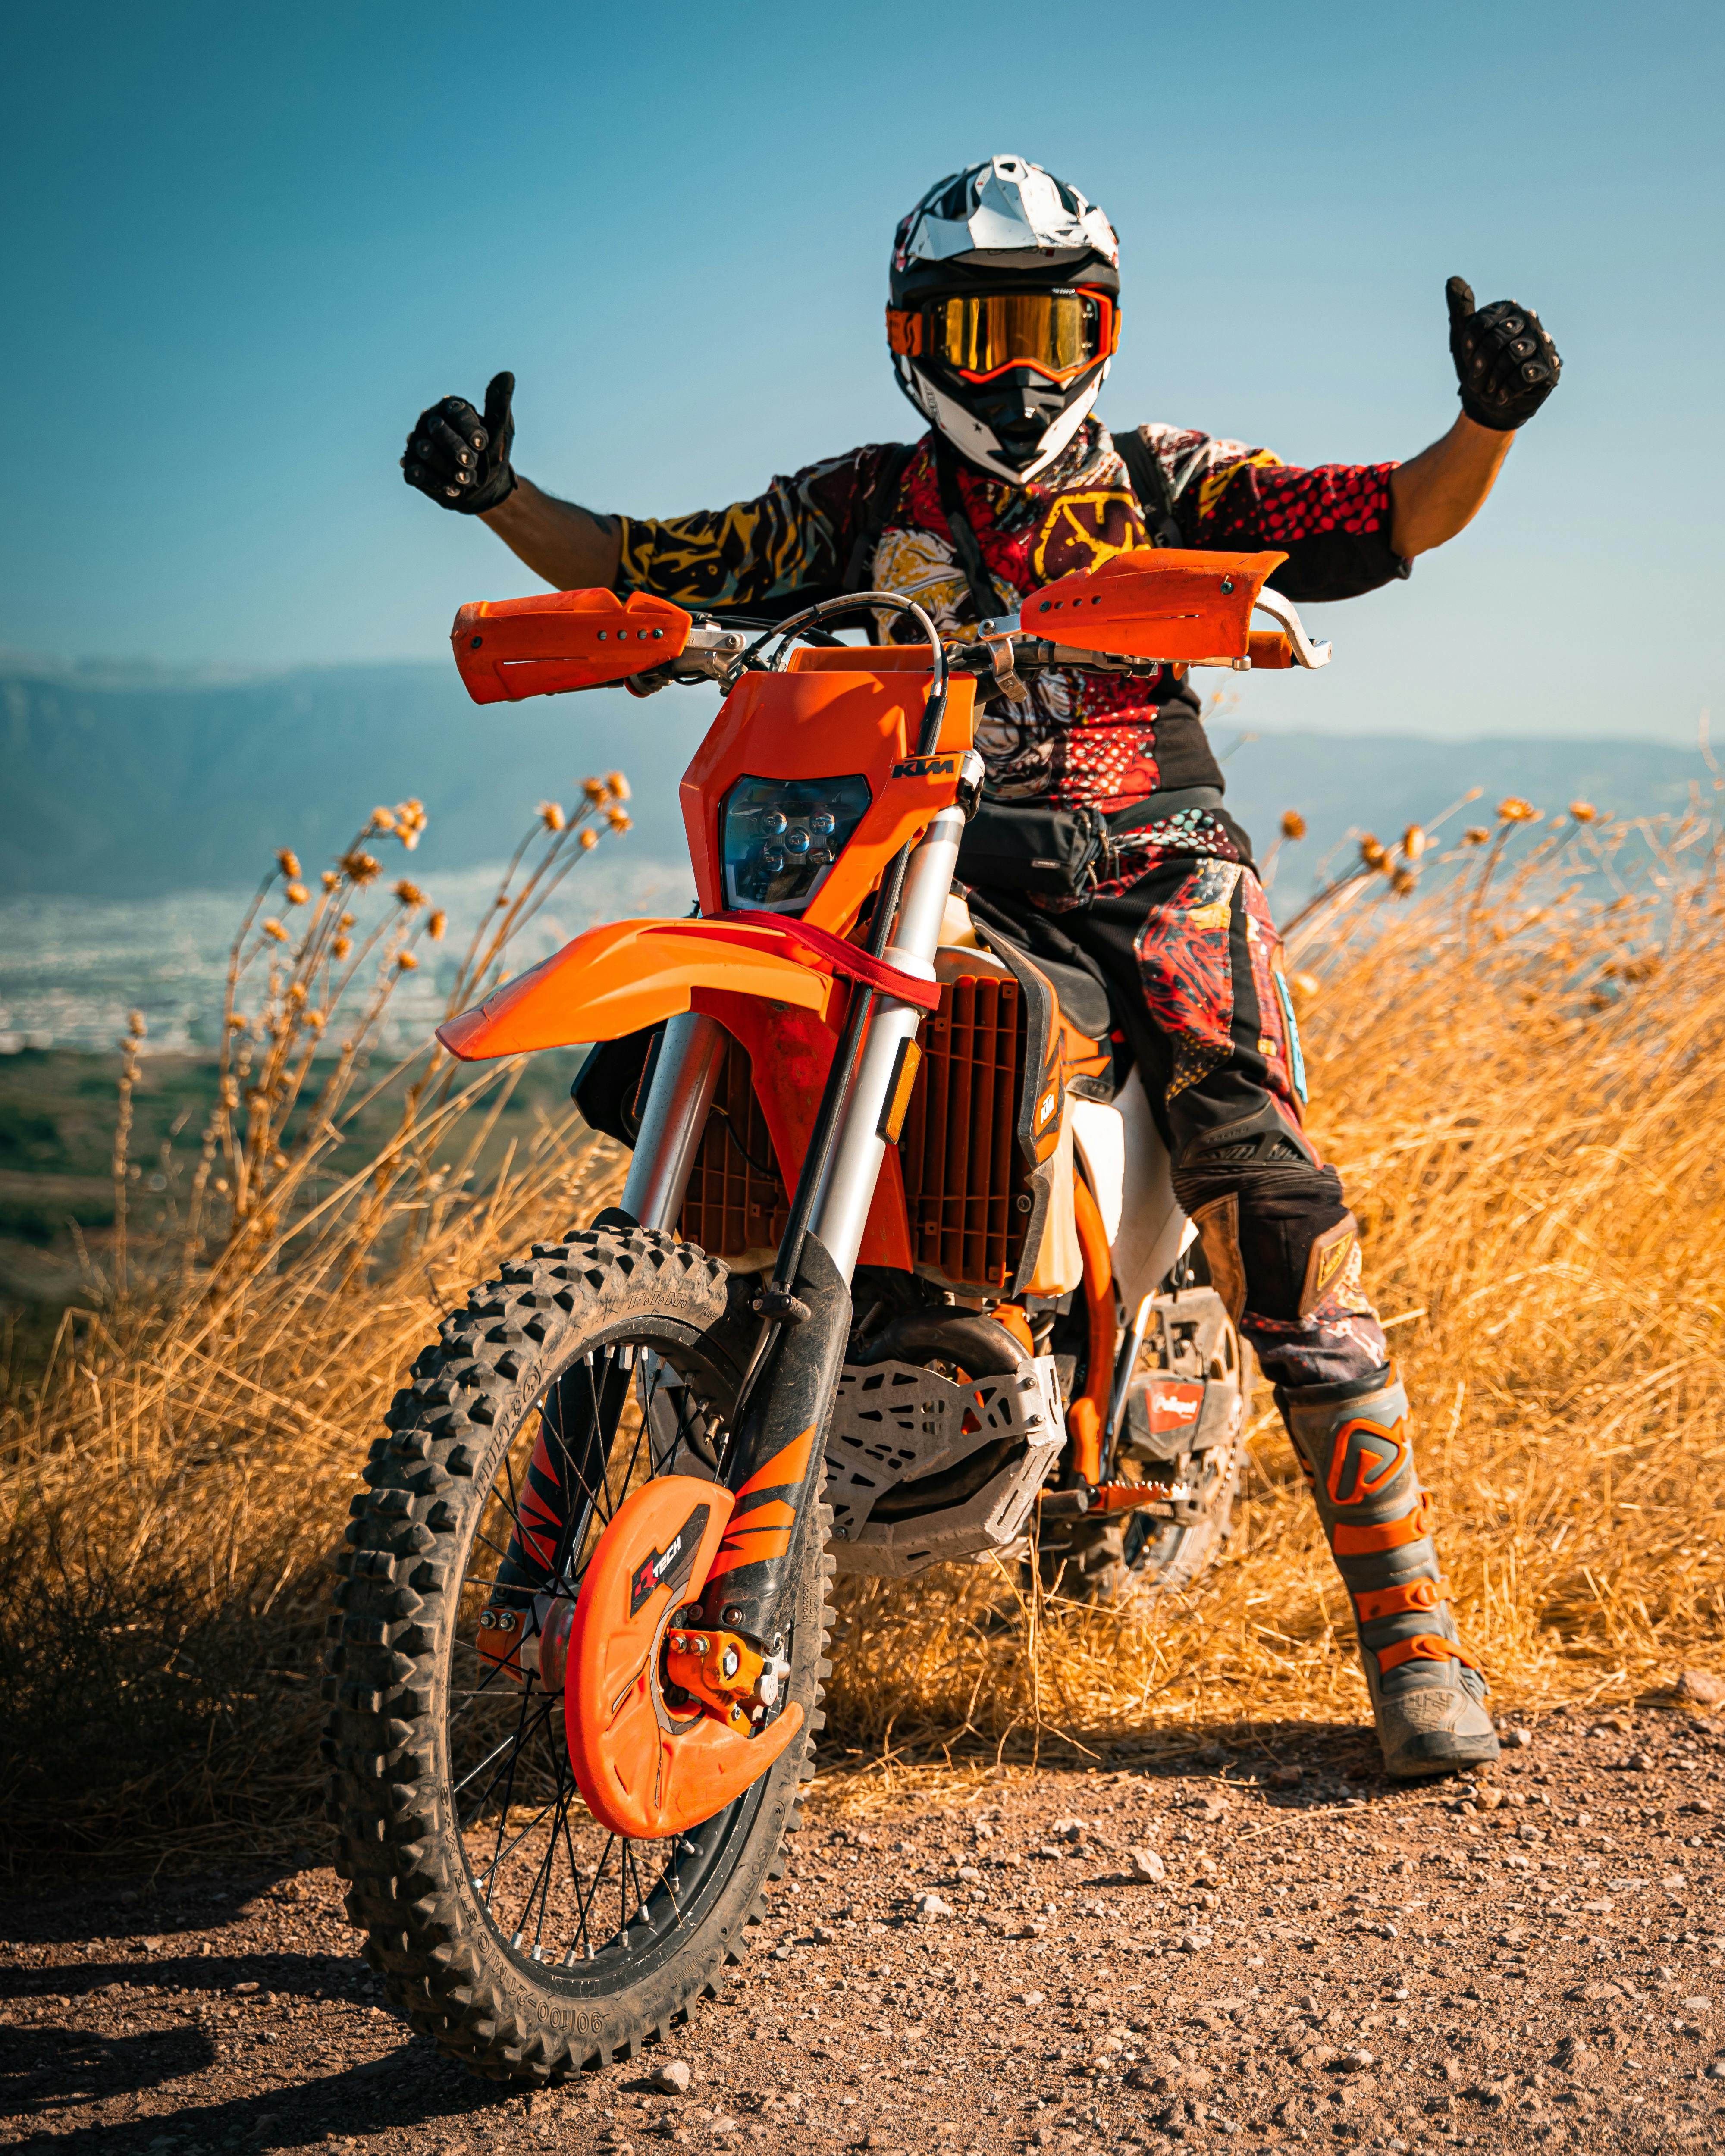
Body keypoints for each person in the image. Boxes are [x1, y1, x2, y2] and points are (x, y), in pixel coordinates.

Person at [400, 154, 1561, 1778]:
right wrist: (502, 499)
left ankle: (1411, 1631)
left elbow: (1383, 517)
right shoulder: (858, 505)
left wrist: (1485, 424)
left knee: (1268, 1192)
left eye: (1050, 327)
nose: (1015, 367)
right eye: (978, 331)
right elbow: (653, 558)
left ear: (1100, 331)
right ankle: (589, 1531)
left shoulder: (1163, 479)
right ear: (914, 340)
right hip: (917, 863)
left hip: (1153, 874)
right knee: (702, 1087)